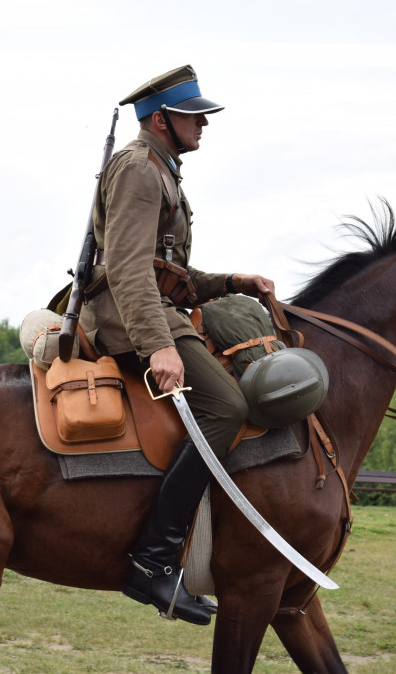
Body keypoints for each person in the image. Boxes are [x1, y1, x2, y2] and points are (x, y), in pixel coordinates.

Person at [79, 64, 275, 625]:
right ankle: (154, 559)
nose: (204, 124)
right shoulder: (142, 171)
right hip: (130, 315)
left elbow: (170, 270)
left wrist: (233, 282)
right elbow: (128, 269)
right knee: (228, 405)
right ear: (162, 120)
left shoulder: (162, 170)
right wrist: (157, 346)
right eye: (195, 116)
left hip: (152, 305)